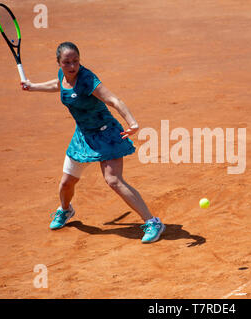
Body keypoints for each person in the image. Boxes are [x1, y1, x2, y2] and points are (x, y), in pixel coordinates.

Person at [21, 42, 165, 243]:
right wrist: (33, 86)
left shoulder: (87, 79)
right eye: (67, 62)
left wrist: (132, 122)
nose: (72, 67)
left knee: (113, 180)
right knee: (66, 183)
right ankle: (65, 210)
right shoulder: (63, 75)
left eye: (76, 62)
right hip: (83, 137)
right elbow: (57, 84)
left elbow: (114, 100)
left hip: (106, 134)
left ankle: (153, 222)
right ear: (59, 63)